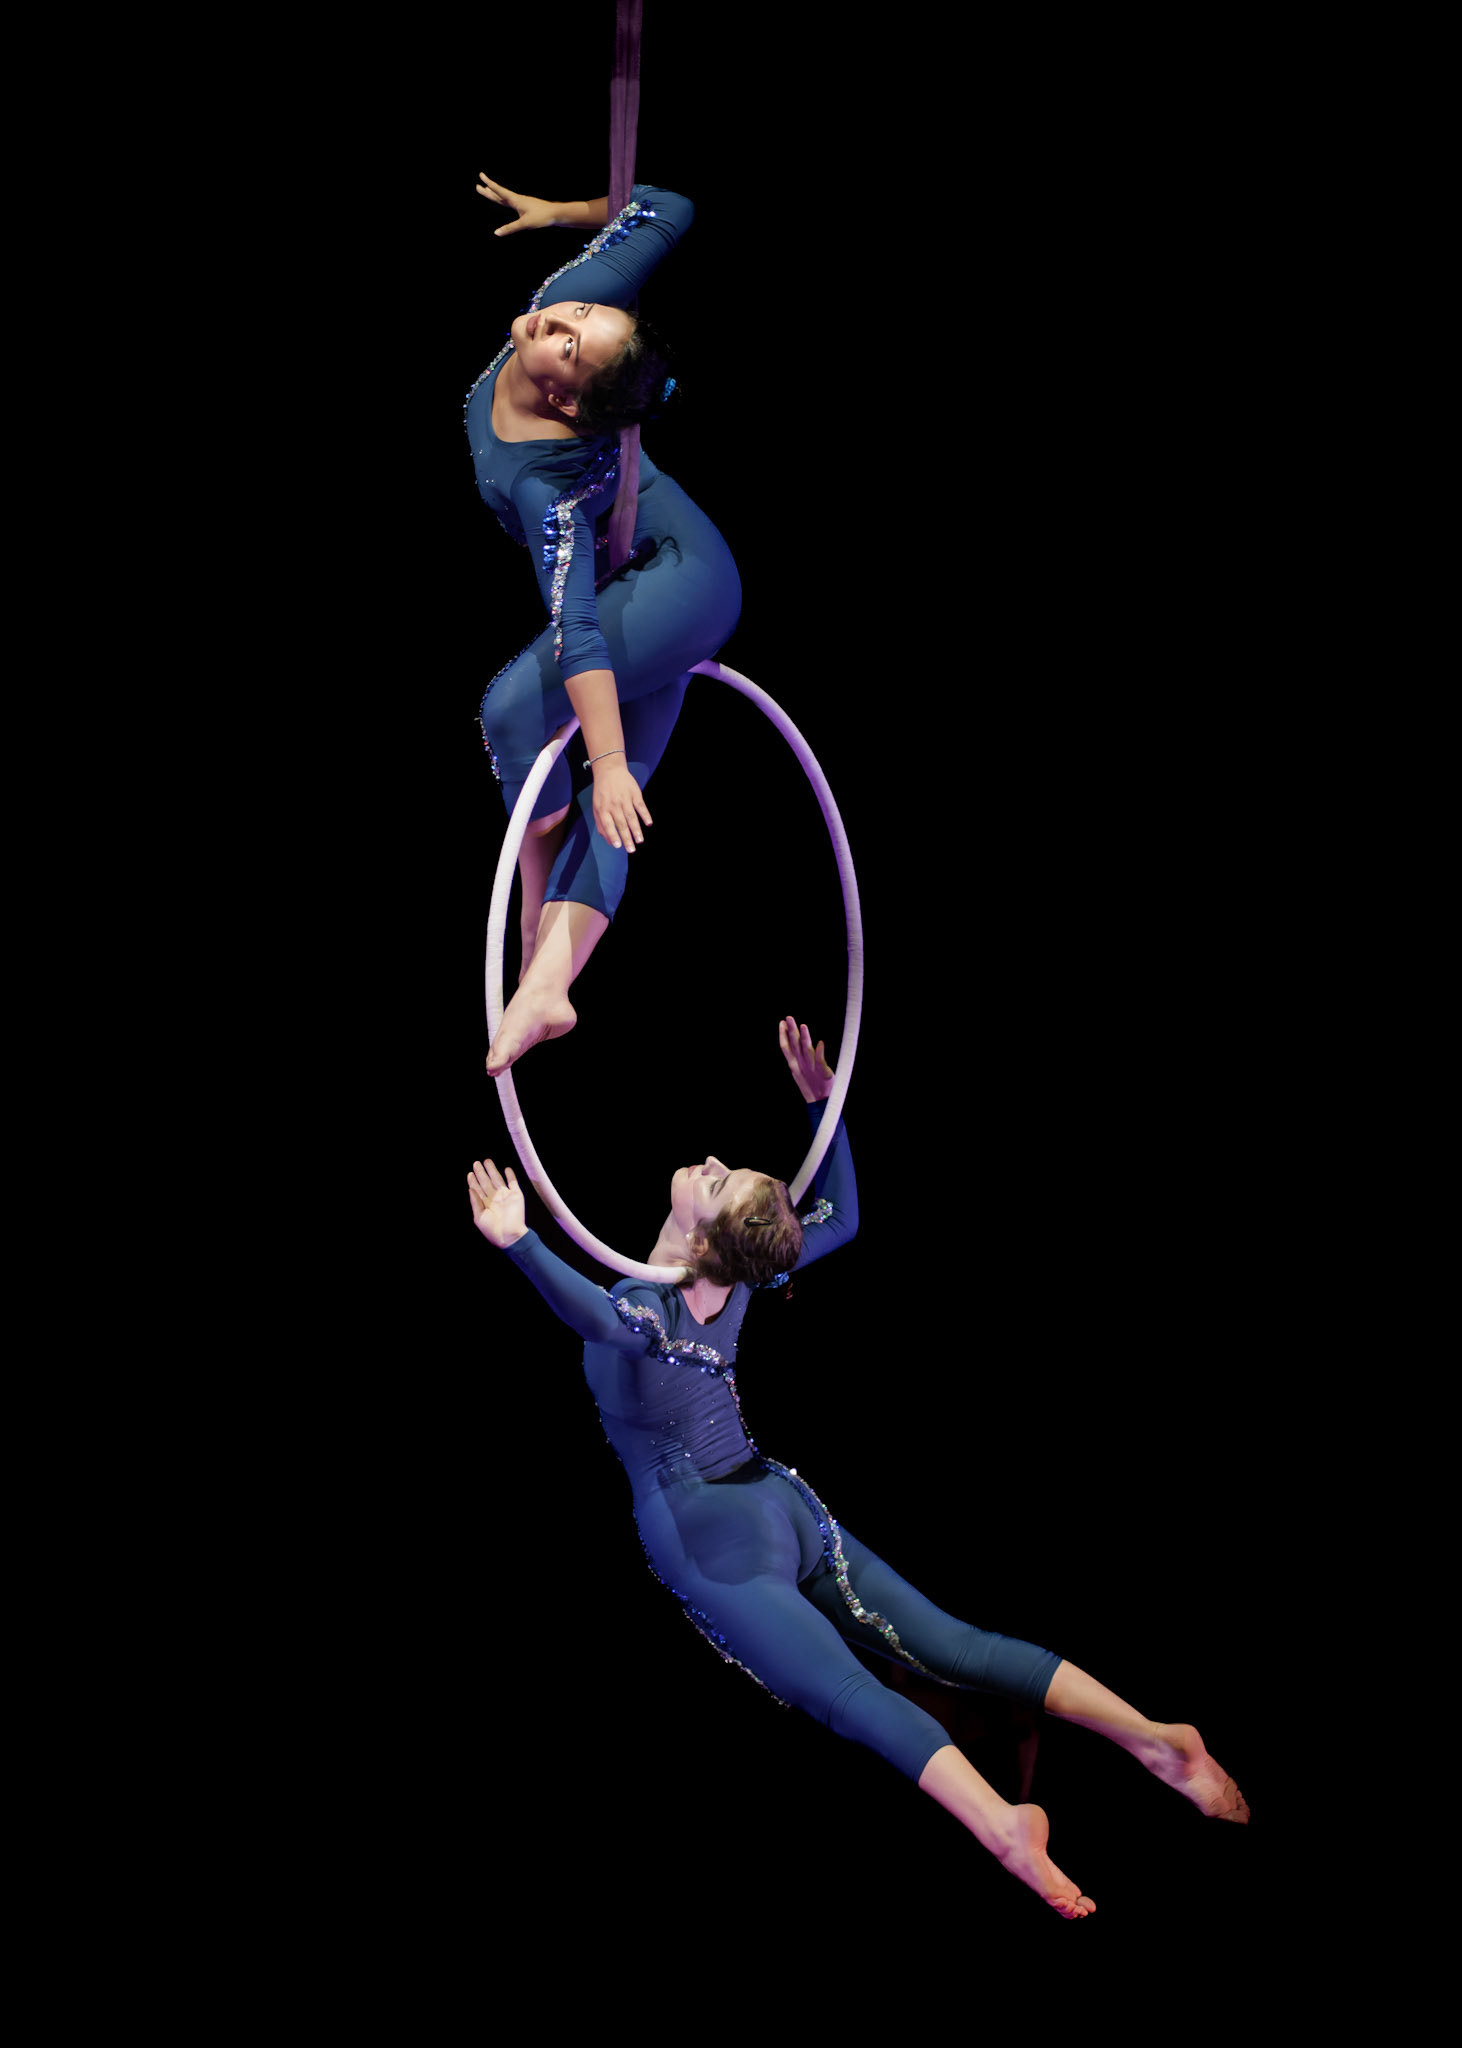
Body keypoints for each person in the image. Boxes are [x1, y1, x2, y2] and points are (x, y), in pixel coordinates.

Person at [468, 1018, 1250, 1921]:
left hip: (711, 1536)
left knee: (852, 1690)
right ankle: (1153, 1738)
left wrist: (521, 1243)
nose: (710, 1161)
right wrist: (820, 1108)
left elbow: (605, 1322)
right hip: (778, 1501)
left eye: (719, 1181)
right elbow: (840, 1218)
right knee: (954, 1643)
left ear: (707, 1239)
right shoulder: (741, 1276)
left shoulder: (648, 1300)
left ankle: (1005, 1827)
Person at [466, 172, 741, 1076]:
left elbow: (575, 626)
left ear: (569, 404)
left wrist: (609, 758)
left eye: (571, 344)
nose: (556, 319)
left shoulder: (547, 485)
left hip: (680, 581)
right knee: (593, 789)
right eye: (576, 317)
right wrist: (564, 213)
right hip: (640, 572)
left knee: (521, 715)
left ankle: (537, 911)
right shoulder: (565, 299)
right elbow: (667, 208)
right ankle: (549, 979)